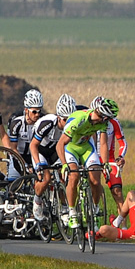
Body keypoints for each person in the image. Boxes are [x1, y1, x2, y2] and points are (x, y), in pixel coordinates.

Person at [56, 96, 117, 229]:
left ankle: (94, 209)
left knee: (95, 179)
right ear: (102, 115)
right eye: (107, 118)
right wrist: (64, 164)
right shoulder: (79, 120)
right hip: (71, 148)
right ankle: (72, 212)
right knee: (74, 176)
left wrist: (105, 163)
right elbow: (60, 144)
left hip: (86, 148)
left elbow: (104, 143)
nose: (108, 121)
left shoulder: (103, 123)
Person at [30, 94, 75, 220]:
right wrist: (38, 164)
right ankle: (37, 200)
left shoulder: (72, 126)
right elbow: (33, 145)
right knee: (46, 178)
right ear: (59, 117)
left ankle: (65, 207)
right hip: (41, 151)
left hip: (56, 152)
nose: (68, 123)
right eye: (65, 120)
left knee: (63, 177)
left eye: (70, 120)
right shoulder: (47, 123)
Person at [7, 89, 44, 170]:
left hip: (35, 155)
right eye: (34, 112)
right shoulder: (16, 122)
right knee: (14, 180)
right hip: (18, 155)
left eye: (39, 111)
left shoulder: (43, 121)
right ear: (26, 110)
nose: (37, 115)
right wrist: (25, 165)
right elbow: (13, 148)